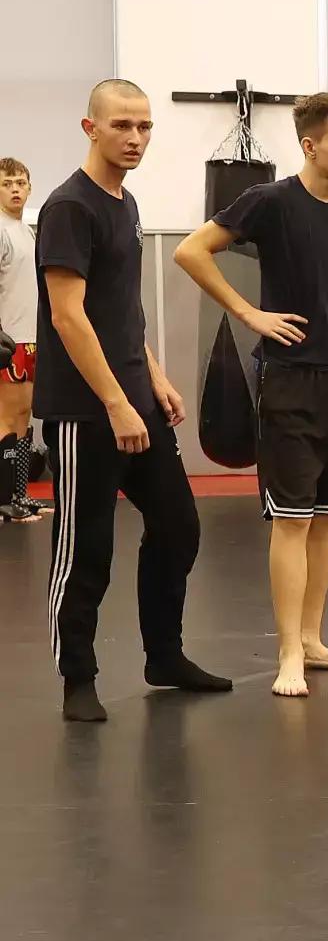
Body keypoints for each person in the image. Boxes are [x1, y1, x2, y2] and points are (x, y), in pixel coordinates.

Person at [174, 93, 328, 698]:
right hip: (289, 378)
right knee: (293, 519)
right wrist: (248, 313)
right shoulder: (269, 201)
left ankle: (314, 639)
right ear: (309, 145)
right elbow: (189, 250)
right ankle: (289, 652)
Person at [36, 79, 232, 722]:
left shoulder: (126, 202)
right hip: (87, 409)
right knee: (84, 548)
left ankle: (164, 657)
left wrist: (153, 376)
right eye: (122, 125)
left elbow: (119, 309)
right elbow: (69, 316)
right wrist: (116, 402)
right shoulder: (70, 207)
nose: (136, 138)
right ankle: (78, 678)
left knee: (177, 526)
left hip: (133, 397)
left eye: (145, 126)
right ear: (90, 128)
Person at [1, 156, 46, 523]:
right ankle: (4, 498)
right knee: (6, 418)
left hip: (31, 339)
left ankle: (20, 494)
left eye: (20, 183)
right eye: (6, 184)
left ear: (29, 188)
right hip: (8, 341)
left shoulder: (27, 231)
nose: (14, 189)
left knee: (24, 417)